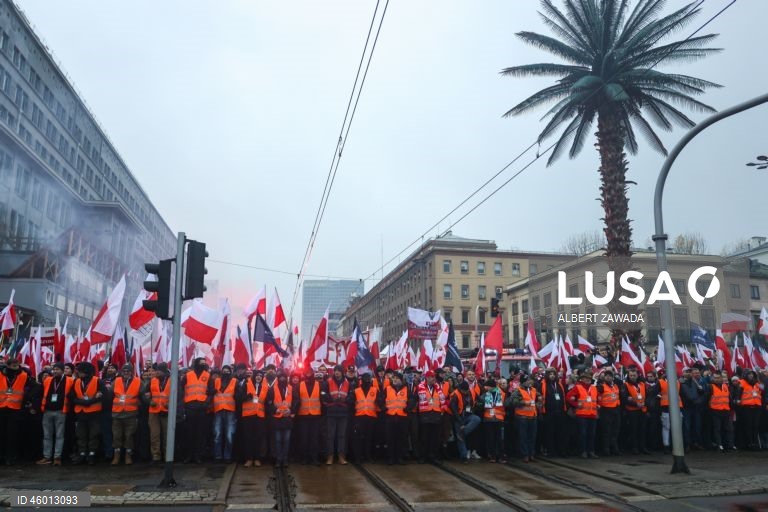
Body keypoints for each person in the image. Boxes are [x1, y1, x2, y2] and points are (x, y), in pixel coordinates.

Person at [69, 362, 105, 465]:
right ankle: (82, 454)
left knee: (94, 435)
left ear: (86, 371)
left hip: (94, 413)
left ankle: (92, 455)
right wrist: (84, 402)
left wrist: (90, 402)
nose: (77, 372)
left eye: (79, 370)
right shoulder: (76, 381)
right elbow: (71, 396)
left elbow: (104, 396)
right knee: (81, 435)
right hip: (81, 413)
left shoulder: (98, 381)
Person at [0, 359, 36, 465]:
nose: (16, 367)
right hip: (2, 407)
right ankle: (1, 456)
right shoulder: (1, 375)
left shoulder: (24, 375)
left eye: (17, 365)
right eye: (14, 365)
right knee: (1, 433)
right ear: (8, 365)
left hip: (15, 409)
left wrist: (27, 397)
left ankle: (10, 457)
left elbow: (36, 387)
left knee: (12, 435)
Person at [37, 362, 73, 466]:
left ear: (62, 371)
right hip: (47, 411)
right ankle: (47, 457)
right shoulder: (48, 380)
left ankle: (57, 457)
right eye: (54, 369)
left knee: (59, 436)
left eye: (57, 369)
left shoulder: (70, 380)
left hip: (61, 411)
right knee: (47, 436)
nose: (55, 371)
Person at [179, 358, 212, 464]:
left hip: (201, 408)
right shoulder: (188, 375)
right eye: (201, 363)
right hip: (190, 407)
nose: (203, 364)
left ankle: (198, 456)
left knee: (200, 433)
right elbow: (181, 389)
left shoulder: (207, 375)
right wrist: (184, 404)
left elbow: (211, 391)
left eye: (204, 363)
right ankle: (188, 455)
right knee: (189, 433)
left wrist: (206, 403)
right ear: (196, 364)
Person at [266, 369, 299, 468]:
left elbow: (297, 401)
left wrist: (292, 411)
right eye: (280, 377)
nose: (282, 379)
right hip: (277, 418)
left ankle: (285, 460)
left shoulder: (291, 388)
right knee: (278, 440)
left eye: (284, 377)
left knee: (286, 440)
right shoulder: (272, 389)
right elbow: (268, 402)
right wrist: (274, 410)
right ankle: (278, 459)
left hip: (287, 418)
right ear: (278, 378)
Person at [109, 364, 141, 465]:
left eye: (128, 371)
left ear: (131, 372)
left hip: (131, 414)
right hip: (117, 414)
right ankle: (116, 456)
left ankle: (128, 455)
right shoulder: (116, 381)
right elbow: (110, 395)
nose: (126, 373)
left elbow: (143, 395)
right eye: (124, 371)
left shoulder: (138, 381)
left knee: (129, 436)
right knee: (116, 436)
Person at [321, 364, 352, 465]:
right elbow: (323, 394)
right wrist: (332, 399)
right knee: (330, 435)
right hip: (331, 412)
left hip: (343, 413)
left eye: (339, 370)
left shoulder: (347, 383)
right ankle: (330, 456)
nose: (337, 372)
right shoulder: (327, 382)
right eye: (335, 370)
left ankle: (341, 456)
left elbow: (352, 396)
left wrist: (344, 400)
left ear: (342, 372)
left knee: (342, 436)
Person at [381, 372, 412, 465]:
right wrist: (384, 408)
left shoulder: (407, 389)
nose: (394, 379)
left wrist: (408, 408)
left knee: (401, 438)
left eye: (397, 378)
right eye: (393, 378)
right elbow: (380, 399)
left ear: (401, 380)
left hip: (402, 417)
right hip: (390, 417)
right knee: (390, 438)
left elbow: (412, 400)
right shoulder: (387, 389)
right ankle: (390, 458)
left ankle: (399, 457)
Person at [238, 370, 268, 467]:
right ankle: (249, 458)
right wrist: (247, 396)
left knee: (258, 438)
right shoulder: (246, 384)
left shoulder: (265, 387)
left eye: (260, 375)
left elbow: (267, 401)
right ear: (254, 376)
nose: (259, 377)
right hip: (248, 415)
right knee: (248, 438)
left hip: (260, 416)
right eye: (257, 375)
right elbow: (239, 397)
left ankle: (257, 458)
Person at [567, 371, 599, 459]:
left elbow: (596, 399)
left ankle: (591, 451)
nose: (587, 379)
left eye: (589, 378)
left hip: (592, 414)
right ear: (582, 379)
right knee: (583, 434)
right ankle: (583, 451)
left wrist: (598, 406)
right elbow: (569, 397)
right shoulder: (578, 387)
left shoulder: (593, 388)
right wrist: (576, 404)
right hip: (582, 415)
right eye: (585, 378)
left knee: (592, 434)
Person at [143, 362, 170, 464]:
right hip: (154, 412)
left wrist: (170, 405)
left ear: (164, 371)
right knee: (155, 435)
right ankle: (156, 456)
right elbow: (144, 395)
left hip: (167, 412)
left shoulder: (172, 381)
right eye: (156, 370)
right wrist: (150, 402)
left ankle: (168, 456)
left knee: (167, 435)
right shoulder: (152, 381)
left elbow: (177, 396)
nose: (157, 372)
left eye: (159, 371)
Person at [417, 370, 445, 463]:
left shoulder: (438, 388)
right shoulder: (420, 387)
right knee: (424, 437)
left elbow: (442, 400)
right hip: (425, 414)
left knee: (435, 438)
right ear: (427, 378)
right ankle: (423, 456)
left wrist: (442, 411)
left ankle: (433, 456)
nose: (433, 379)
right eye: (431, 377)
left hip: (436, 414)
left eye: (434, 377)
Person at [449, 381, 480, 462]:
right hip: (458, 417)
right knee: (460, 439)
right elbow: (454, 410)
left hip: (468, 415)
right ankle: (464, 456)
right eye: (464, 391)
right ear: (460, 389)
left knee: (477, 419)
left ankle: (463, 432)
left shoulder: (470, 392)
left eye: (467, 390)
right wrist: (460, 422)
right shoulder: (455, 395)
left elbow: (477, 400)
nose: (466, 392)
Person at [297, 370, 323, 465]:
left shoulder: (319, 384)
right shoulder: (300, 385)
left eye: (310, 373)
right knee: (304, 438)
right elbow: (297, 400)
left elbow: (322, 399)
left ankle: (314, 458)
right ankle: (304, 458)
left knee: (314, 438)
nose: (308, 375)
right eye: (306, 373)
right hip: (303, 415)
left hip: (315, 415)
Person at [351, 372, 379, 463]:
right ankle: (358, 457)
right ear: (361, 381)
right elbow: (350, 402)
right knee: (358, 439)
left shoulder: (375, 390)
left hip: (371, 417)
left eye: (368, 380)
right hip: (359, 417)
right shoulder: (356, 390)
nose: (367, 382)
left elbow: (380, 401)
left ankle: (368, 456)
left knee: (369, 438)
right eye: (365, 380)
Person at [539, 367, 566, 457]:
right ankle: (551, 450)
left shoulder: (559, 384)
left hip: (559, 412)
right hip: (549, 412)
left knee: (560, 432)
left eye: (553, 374)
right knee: (549, 432)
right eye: (550, 374)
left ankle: (560, 450)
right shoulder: (543, 384)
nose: (552, 376)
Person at [621, 366, 649, 455]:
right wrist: (635, 404)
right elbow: (625, 398)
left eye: (634, 375)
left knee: (643, 430)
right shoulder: (625, 385)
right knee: (634, 430)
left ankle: (643, 447)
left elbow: (647, 396)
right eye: (631, 375)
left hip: (642, 410)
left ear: (637, 375)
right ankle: (634, 447)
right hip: (632, 411)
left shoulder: (642, 384)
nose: (632, 377)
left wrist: (645, 404)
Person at [212, 365, 237, 463]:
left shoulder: (235, 381)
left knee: (229, 435)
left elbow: (238, 395)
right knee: (217, 434)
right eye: (224, 371)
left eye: (227, 371)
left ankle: (227, 456)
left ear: (230, 372)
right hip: (218, 410)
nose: (225, 373)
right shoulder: (216, 381)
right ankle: (218, 456)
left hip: (230, 410)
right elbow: (210, 391)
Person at [510, 374, 537, 463]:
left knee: (532, 437)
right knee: (523, 437)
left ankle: (531, 454)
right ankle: (525, 454)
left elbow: (537, 399)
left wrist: (540, 400)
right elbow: (513, 401)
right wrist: (524, 402)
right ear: (523, 382)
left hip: (532, 416)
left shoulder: (534, 390)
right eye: (528, 380)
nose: (530, 382)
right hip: (522, 417)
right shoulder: (518, 390)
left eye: (531, 380)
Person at [707, 371, 735, 452]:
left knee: (729, 429)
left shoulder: (725, 386)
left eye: (718, 377)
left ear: (721, 378)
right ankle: (719, 445)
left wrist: (732, 406)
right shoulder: (710, 387)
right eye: (715, 378)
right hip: (715, 411)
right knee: (717, 429)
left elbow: (729, 399)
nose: (716, 379)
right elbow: (707, 398)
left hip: (726, 410)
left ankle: (730, 445)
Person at [597, 370, 621, 456]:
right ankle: (606, 449)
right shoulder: (601, 386)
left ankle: (614, 448)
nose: (608, 377)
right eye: (606, 376)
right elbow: (598, 396)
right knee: (606, 432)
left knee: (615, 431)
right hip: (606, 411)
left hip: (615, 410)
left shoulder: (615, 386)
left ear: (612, 377)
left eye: (610, 376)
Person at [737, 370, 762, 450]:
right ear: (746, 375)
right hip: (746, 408)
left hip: (757, 407)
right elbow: (738, 394)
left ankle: (755, 443)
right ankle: (749, 443)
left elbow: (762, 392)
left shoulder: (758, 384)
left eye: (752, 374)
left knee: (755, 426)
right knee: (748, 426)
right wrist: (738, 401)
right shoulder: (742, 382)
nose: (751, 376)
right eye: (749, 374)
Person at [658, 370, 682, 454]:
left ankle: (674, 446)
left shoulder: (678, 382)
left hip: (677, 408)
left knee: (675, 428)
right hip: (666, 408)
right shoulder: (661, 382)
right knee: (666, 428)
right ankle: (666, 446)